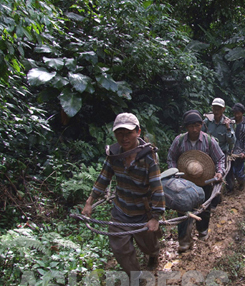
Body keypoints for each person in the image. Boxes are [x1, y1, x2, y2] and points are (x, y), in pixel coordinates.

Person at [82, 113, 165, 276]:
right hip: (121, 210)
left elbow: (157, 188)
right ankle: (136, 276)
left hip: (143, 211)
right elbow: (104, 178)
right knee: (120, 247)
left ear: (138, 132)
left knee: (150, 246)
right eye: (120, 133)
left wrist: (155, 218)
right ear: (115, 135)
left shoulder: (149, 157)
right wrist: (89, 201)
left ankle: (153, 255)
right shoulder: (113, 155)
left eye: (128, 133)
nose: (124, 138)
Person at [167, 110, 225, 252]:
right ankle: (184, 241)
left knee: (204, 208)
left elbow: (220, 158)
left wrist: (219, 172)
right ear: (186, 127)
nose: (194, 129)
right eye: (191, 126)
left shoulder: (209, 141)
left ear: (201, 125)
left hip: (204, 180)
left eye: (197, 126)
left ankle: (202, 231)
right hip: (184, 181)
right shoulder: (179, 141)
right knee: (182, 210)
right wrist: (174, 172)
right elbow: (171, 158)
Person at [202, 98, 235, 191]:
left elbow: (232, 141)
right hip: (208, 153)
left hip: (222, 153)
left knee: (223, 173)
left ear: (223, 109)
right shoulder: (207, 121)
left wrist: (228, 128)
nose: (216, 111)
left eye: (218, 109)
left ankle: (225, 189)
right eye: (214, 108)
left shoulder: (228, 123)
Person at [229, 103, 245, 191]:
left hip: (241, 150)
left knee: (239, 172)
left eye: (238, 113)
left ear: (242, 113)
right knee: (231, 171)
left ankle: (241, 183)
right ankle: (230, 187)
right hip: (231, 150)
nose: (236, 115)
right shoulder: (230, 122)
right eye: (235, 113)